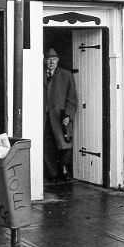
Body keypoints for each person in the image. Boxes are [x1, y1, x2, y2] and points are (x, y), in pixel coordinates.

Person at [43, 47, 77, 181]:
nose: (52, 62)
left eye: (54, 59)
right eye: (49, 59)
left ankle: (63, 169)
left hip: (60, 117)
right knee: (48, 147)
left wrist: (68, 115)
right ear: (45, 61)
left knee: (65, 145)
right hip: (45, 118)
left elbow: (72, 98)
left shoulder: (66, 75)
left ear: (58, 61)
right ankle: (52, 174)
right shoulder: (39, 74)